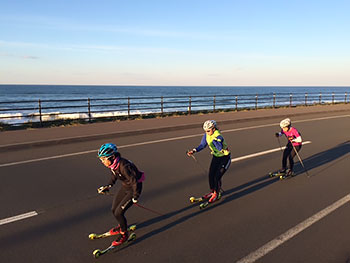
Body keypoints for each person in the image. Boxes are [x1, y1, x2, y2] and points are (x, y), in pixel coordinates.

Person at [97, 143, 144, 246]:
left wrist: (136, 196)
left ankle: (124, 234)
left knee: (119, 212)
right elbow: (114, 175)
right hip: (125, 186)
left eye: (104, 159)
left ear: (112, 157)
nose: (102, 162)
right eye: (101, 159)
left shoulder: (124, 166)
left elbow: (135, 182)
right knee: (114, 209)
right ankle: (121, 226)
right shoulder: (113, 164)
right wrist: (108, 186)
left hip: (133, 189)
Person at [187, 120, 231, 203]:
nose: (207, 133)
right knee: (211, 175)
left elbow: (219, 148)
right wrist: (194, 150)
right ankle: (213, 191)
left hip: (225, 158)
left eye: (208, 131)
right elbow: (203, 145)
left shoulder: (218, 136)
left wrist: (215, 141)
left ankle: (216, 194)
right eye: (205, 131)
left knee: (217, 176)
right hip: (216, 157)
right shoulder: (207, 135)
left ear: (213, 129)